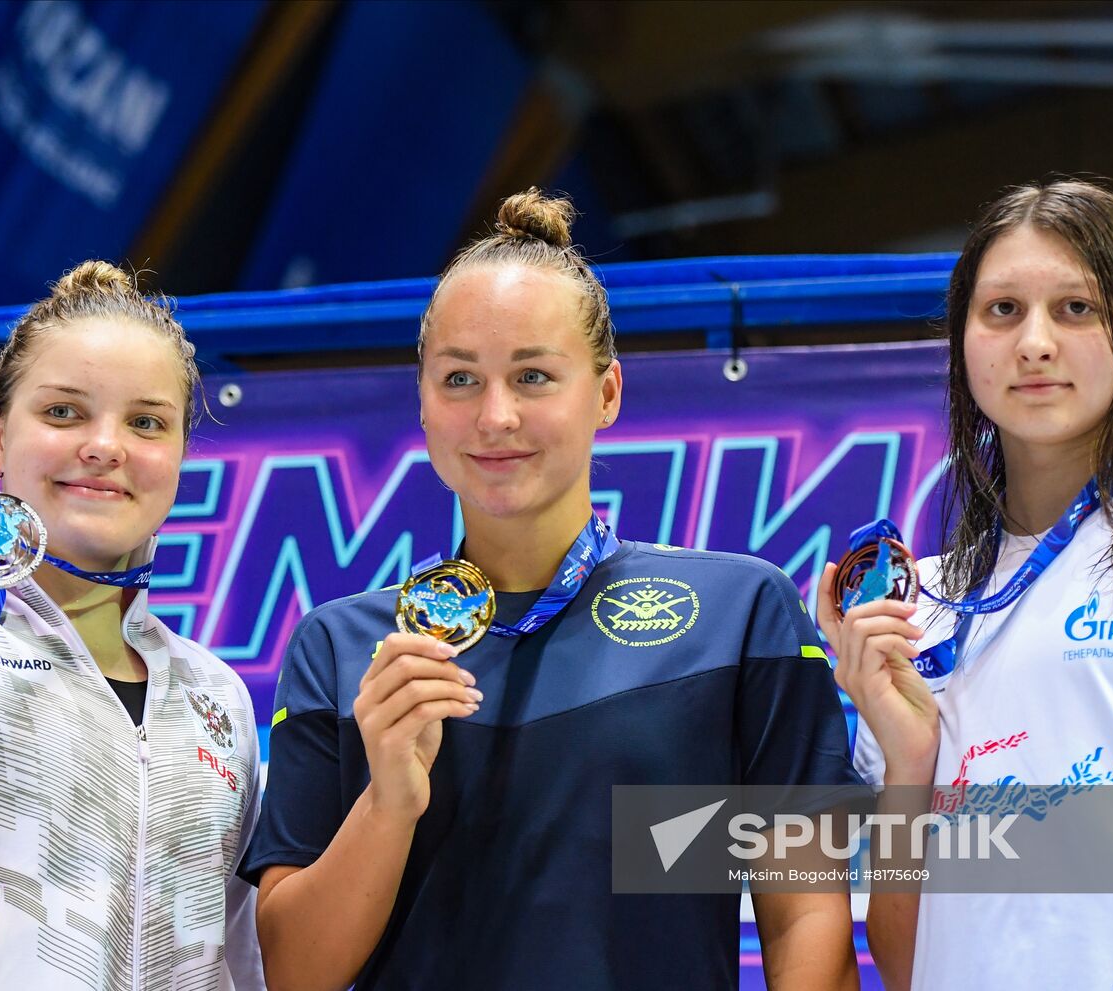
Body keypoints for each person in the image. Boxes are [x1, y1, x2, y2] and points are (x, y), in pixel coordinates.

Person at [241, 189, 863, 991]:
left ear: (606, 392)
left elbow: (806, 916)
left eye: (533, 375)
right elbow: (295, 974)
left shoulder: (738, 614)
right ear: (423, 402)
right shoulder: (342, 645)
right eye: (460, 379)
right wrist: (388, 801)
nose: (496, 416)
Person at [818, 179, 1113, 990]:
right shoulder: (921, 605)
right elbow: (909, 962)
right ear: (962, 342)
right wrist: (910, 760)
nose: (1033, 343)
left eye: (1076, 309)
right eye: (1001, 311)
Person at [0, 262, 265, 990]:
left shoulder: (220, 700)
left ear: (179, 455)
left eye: (145, 421)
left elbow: (238, 963)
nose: (104, 445)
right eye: (64, 412)